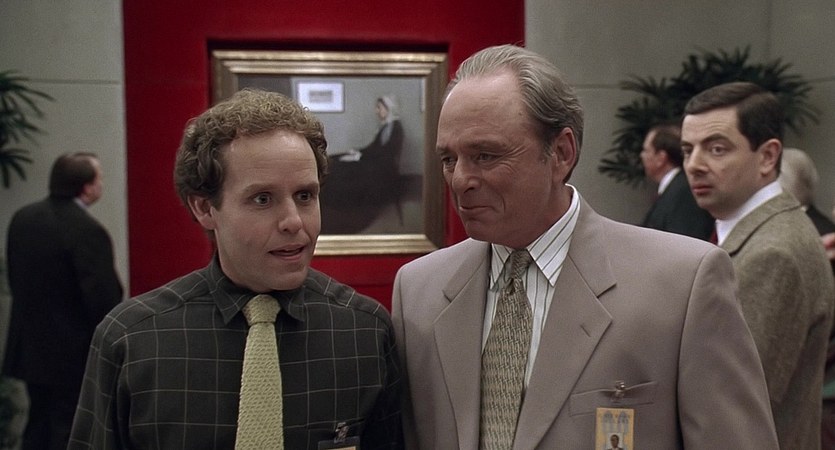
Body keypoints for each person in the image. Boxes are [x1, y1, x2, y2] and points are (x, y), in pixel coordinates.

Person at [392, 44, 777, 449]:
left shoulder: (682, 286)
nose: (460, 180)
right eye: (448, 159)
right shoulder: (418, 293)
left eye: (485, 155)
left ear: (561, 153)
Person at [69, 88, 402, 449]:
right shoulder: (133, 340)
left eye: (305, 196)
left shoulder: (364, 332)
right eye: (263, 199)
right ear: (204, 208)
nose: (294, 221)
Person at [681, 81, 834, 450]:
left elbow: (732, 410)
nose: (694, 165)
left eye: (716, 148)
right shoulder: (756, 233)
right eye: (687, 150)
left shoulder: (774, 253)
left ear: (767, 157)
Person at [3, 152, 123, 450]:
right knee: (68, 428)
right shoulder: (87, 230)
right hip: (72, 352)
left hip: (30, 347)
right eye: (99, 179)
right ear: (87, 187)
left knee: (37, 424)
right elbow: (103, 297)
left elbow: (17, 279)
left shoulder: (23, 219)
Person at [322, 95, 406, 233]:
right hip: (376, 162)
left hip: (382, 169)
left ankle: (342, 206)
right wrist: (357, 152)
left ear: (388, 108)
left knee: (342, 168)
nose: (377, 110)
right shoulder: (387, 126)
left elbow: (386, 153)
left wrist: (359, 156)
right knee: (335, 159)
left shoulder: (395, 128)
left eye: (379, 107)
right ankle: (332, 203)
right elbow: (374, 147)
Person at [639, 124, 714, 240]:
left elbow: (684, 240)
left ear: (661, 158)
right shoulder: (674, 189)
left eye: (646, 150)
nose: (642, 156)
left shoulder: (683, 193)